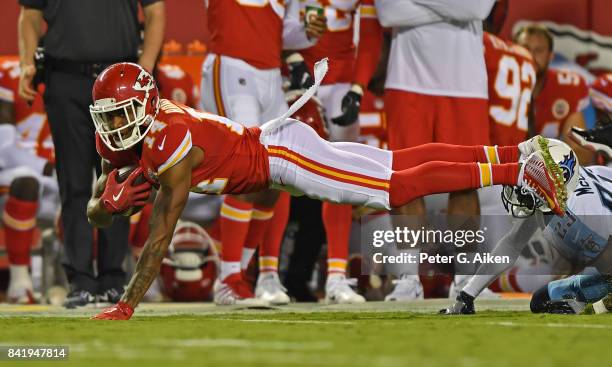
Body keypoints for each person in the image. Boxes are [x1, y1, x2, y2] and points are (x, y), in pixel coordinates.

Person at [85, 62, 566, 320]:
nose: (112, 126)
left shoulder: (170, 138)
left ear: (145, 105)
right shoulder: (128, 136)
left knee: (395, 184)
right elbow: (99, 207)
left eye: (119, 114)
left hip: (283, 157)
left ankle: (516, 171)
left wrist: (127, 304)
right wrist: (104, 205)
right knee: (399, 165)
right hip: (276, 149)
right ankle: (515, 156)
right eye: (106, 117)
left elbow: (159, 236)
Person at [17, 0, 165, 307]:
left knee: (121, 178)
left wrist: (145, 69)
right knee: (73, 182)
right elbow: (29, 15)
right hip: (65, 78)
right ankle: (80, 280)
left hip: (120, 83)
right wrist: (26, 63)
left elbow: (156, 12)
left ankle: (113, 278)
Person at [199, 0, 326, 305]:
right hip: (232, 66)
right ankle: (229, 277)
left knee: (275, 175)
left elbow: (284, 33)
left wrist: (308, 32)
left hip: (270, 75)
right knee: (245, 167)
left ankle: (239, 274)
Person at [375, 0, 496, 292]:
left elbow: (477, 10)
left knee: (465, 181)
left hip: (465, 84)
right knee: (405, 180)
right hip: (407, 81)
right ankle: (408, 279)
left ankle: (465, 278)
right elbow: (388, 13)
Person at [0, 60, 58, 304]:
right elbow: (3, 147)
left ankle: (71, 282)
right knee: (26, 181)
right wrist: (44, 166)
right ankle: (19, 280)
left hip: (56, 177)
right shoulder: (9, 74)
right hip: (14, 170)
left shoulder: (78, 77)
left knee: (97, 189)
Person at [514, 24, 594, 165]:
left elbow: (581, 150)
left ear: (550, 56)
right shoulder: (497, 85)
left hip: (550, 168)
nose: (531, 56)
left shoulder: (567, 86)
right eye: (525, 49)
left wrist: (552, 169)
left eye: (538, 50)